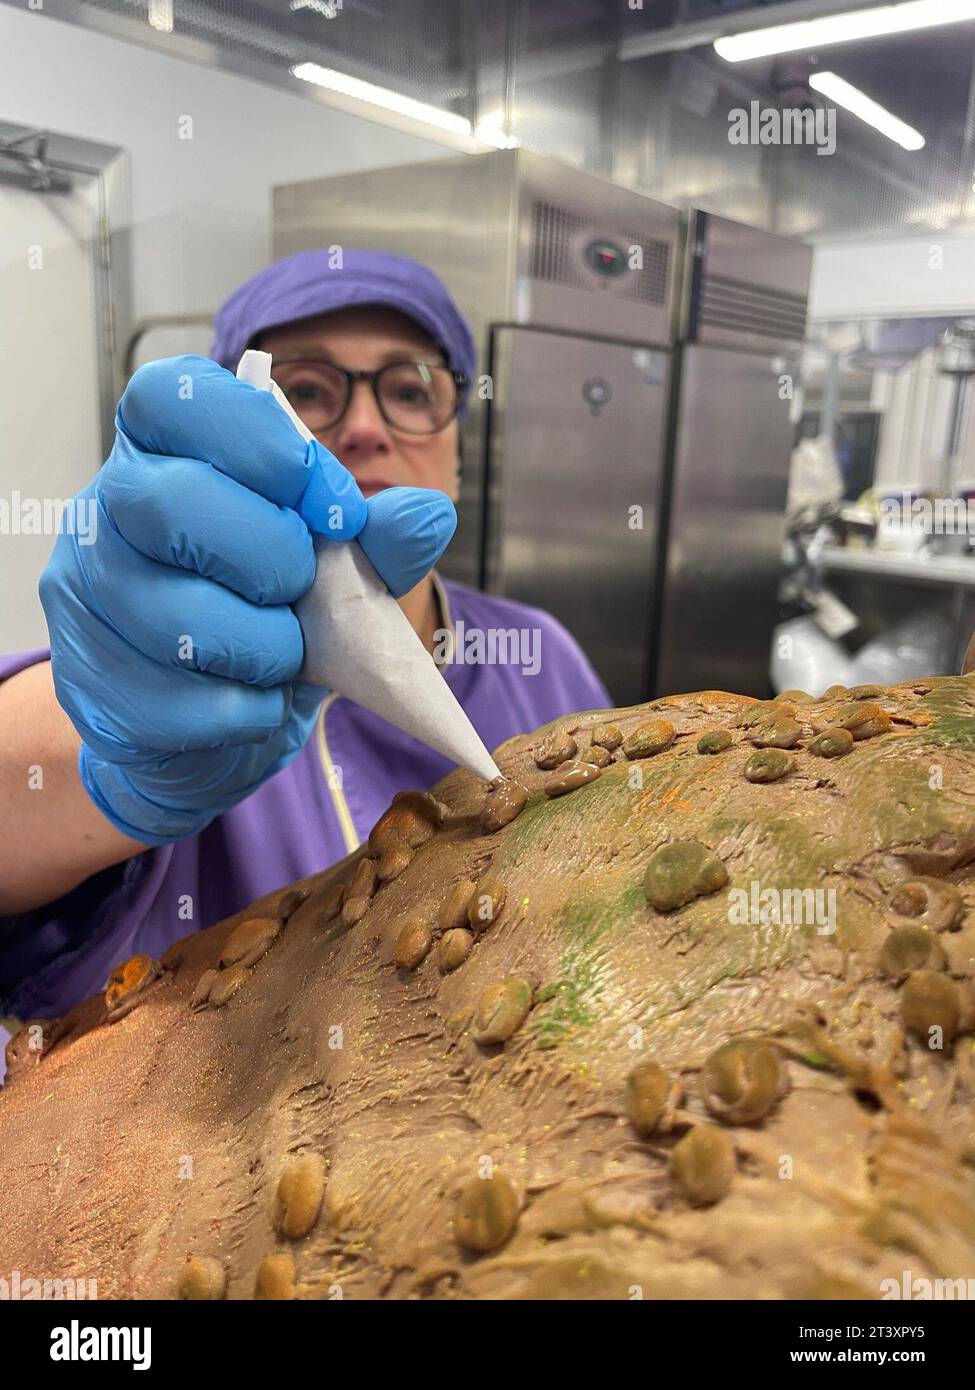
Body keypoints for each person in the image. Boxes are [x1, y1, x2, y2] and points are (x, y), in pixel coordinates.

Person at [0, 249, 610, 1036]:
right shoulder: (166, 668)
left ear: (459, 433)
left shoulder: (540, 653)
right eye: (307, 393)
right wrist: (110, 746)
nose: (363, 428)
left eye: (408, 388)